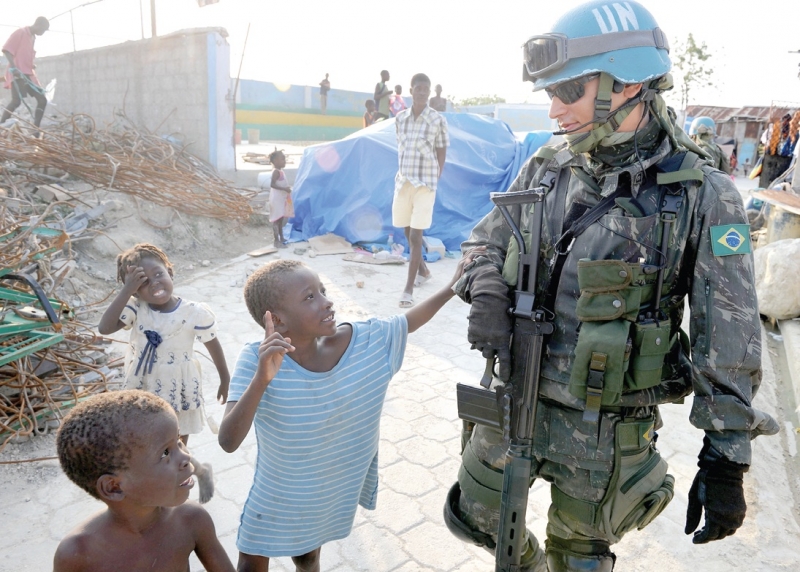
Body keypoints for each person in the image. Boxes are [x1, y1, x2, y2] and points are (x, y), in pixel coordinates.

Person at [442, 2, 779, 571]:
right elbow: (482, 243)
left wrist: (726, 456)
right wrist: (484, 286)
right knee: (472, 519)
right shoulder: (547, 166)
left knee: (578, 557)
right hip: (515, 396)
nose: (554, 108)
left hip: (603, 429)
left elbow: (730, 331)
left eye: (568, 89)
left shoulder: (702, 194)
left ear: (630, 84)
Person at [217, 252, 480, 572]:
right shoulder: (256, 360)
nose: (327, 302)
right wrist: (262, 380)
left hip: (326, 488)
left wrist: (452, 286)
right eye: (310, 297)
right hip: (279, 493)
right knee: (251, 561)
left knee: (308, 556)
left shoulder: (363, 340)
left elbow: (407, 322)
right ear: (279, 319)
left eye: (323, 290)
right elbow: (228, 441)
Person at [98, 243, 230, 502]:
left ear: (170, 271)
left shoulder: (194, 312)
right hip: (143, 386)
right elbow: (104, 328)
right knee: (149, 444)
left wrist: (225, 378)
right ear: (134, 290)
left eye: (159, 274)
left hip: (177, 388)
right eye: (142, 282)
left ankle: (175, 493)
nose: (154, 283)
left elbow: (213, 345)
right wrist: (127, 290)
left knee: (176, 446)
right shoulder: (136, 309)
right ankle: (197, 472)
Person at [53, 390, 235, 572]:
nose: (186, 457)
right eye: (165, 453)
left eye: (178, 441)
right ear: (114, 487)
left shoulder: (190, 519)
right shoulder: (77, 554)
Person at [393, 72, 449, 308]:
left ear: (429, 91)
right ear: (412, 89)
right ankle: (424, 271)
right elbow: (400, 146)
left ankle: (408, 289)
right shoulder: (401, 118)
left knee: (416, 236)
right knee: (406, 231)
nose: (422, 91)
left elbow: (442, 149)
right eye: (419, 88)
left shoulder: (437, 120)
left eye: (426, 88)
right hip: (404, 181)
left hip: (425, 184)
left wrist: (437, 175)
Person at [1, 16, 49, 129]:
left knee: (42, 100)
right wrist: (14, 68)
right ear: (38, 25)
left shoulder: (32, 37)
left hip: (28, 74)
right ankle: (1, 124)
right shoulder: (21, 32)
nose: (42, 33)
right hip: (18, 74)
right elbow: (7, 50)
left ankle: (35, 129)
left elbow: (24, 54)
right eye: (43, 30)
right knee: (16, 101)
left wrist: (31, 64)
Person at [268, 149, 294, 248]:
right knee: (276, 220)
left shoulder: (280, 171)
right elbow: (272, 184)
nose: (284, 161)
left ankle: (281, 237)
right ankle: (276, 241)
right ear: (275, 161)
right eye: (282, 159)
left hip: (281, 199)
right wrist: (284, 189)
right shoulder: (276, 172)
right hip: (276, 200)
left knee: (281, 219)